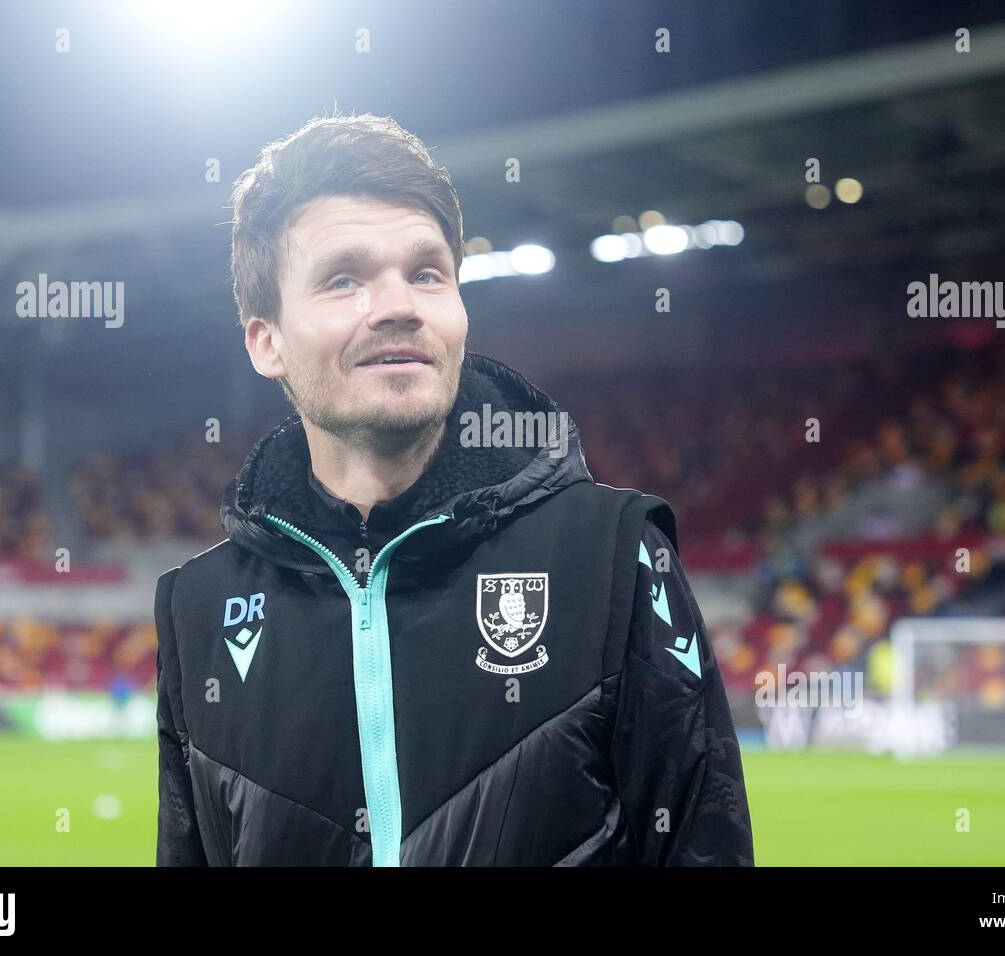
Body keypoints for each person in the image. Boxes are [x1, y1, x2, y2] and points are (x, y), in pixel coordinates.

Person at [154, 112, 753, 866]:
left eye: (427, 273)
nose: (399, 304)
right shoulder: (197, 608)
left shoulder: (612, 556)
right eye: (344, 279)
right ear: (265, 341)